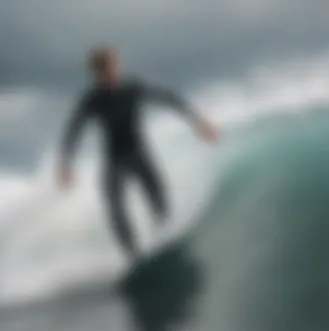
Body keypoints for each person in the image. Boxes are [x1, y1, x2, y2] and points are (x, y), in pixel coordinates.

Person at [57, 45, 218, 262]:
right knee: (115, 208)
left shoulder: (132, 88)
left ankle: (165, 238)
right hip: (115, 160)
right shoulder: (92, 99)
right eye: (105, 71)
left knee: (158, 197)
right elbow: (74, 129)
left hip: (139, 154)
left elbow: (169, 98)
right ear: (96, 74)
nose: (112, 73)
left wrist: (198, 121)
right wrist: (66, 164)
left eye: (113, 67)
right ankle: (134, 256)